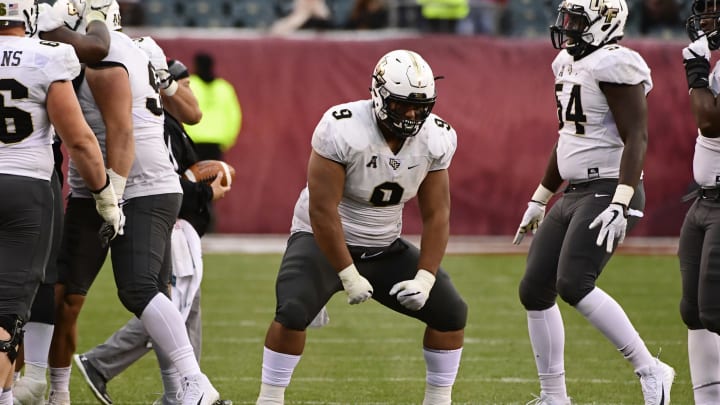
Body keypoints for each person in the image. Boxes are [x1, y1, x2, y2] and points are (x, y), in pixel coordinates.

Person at [254, 49, 467, 405]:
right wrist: (347, 274)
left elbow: (437, 214)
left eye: (420, 105)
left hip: (384, 244)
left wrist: (425, 278)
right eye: (402, 105)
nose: (413, 114)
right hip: (322, 240)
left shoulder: (436, 137)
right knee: (293, 310)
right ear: (380, 94)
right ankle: (270, 399)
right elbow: (322, 211)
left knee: (451, 311)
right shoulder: (342, 127)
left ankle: (438, 400)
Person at [46, 3, 221, 404]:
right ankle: (60, 392)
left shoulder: (115, 54)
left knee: (141, 288)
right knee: (67, 295)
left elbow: (153, 123)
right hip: (96, 185)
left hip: (138, 184)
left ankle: (192, 383)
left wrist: (115, 196)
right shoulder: (134, 50)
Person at [512, 0, 675, 404]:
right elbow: (569, 136)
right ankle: (555, 397)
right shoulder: (568, 63)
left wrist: (621, 199)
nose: (566, 29)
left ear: (605, 23)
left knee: (574, 283)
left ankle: (651, 368)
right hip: (575, 191)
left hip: (609, 188)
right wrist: (540, 197)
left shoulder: (617, 64)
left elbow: (637, 136)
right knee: (534, 290)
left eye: (576, 22)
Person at [0, 1, 122, 403]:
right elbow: (82, 141)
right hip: (27, 188)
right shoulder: (47, 58)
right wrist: (105, 195)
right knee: (8, 309)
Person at [679, 1, 720, 403]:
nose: (706, 20)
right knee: (693, 312)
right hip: (705, 200)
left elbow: (711, 120)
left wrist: (695, 73)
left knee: (714, 311)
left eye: (714, 10)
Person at [185, 52, 242, 162]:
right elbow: (234, 116)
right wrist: (227, 140)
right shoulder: (224, 87)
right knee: (215, 177)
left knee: (193, 177)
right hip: (217, 142)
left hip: (193, 140)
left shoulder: (189, 84)